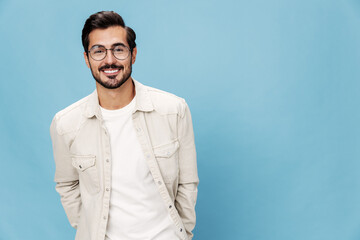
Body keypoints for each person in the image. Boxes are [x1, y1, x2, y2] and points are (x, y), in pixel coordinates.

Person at [50, 11, 199, 240]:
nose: (109, 60)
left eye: (118, 49)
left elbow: (188, 183)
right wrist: (89, 229)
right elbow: (67, 185)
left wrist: (182, 233)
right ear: (86, 58)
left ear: (133, 54)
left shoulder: (173, 110)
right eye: (99, 51)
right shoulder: (66, 124)